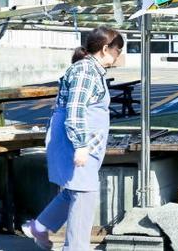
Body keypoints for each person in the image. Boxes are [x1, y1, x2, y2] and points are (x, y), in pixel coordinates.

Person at [22, 26, 124, 250]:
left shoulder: (90, 69)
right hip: (76, 140)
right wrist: (80, 145)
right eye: (118, 51)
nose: (119, 57)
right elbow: (76, 110)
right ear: (106, 49)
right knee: (85, 193)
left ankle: (40, 227)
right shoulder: (86, 70)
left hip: (83, 140)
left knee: (74, 189)